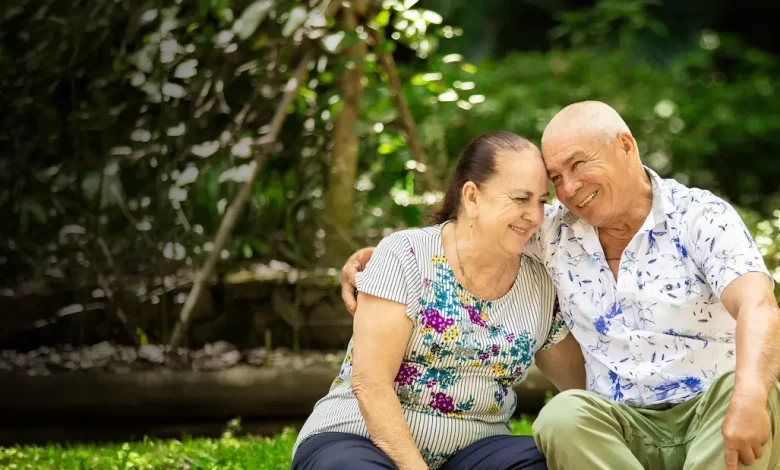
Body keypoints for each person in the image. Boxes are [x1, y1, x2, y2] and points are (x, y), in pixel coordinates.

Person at [340, 101, 780, 470]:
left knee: (743, 388)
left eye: (578, 164)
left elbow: (759, 306)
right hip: (620, 429)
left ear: (626, 146)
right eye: (556, 179)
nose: (568, 189)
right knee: (561, 417)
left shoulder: (701, 217)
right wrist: (377, 256)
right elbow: (474, 233)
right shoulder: (552, 232)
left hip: (714, 410)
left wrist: (749, 397)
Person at [292, 131, 585, 470]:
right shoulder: (406, 255)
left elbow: (584, 384)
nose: (534, 215)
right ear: (472, 197)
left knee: (551, 462)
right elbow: (370, 385)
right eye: (520, 199)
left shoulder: (539, 283)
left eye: (540, 201)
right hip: (360, 439)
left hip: (478, 450)